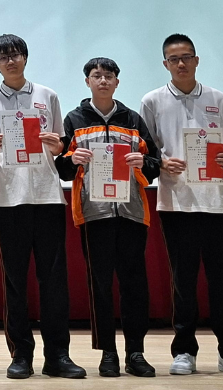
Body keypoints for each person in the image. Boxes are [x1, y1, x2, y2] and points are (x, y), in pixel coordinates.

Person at [140, 33, 223, 376]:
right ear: (165, 64)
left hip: (219, 204)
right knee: (183, 282)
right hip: (176, 203)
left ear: (196, 60)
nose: (181, 63)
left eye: (186, 57)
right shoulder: (152, 101)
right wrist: (162, 163)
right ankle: (184, 351)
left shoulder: (218, 98)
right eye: (174, 59)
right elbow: (146, 150)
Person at [0, 34, 85, 379]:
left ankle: (58, 355)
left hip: (47, 195)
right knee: (14, 280)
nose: (11, 61)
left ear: (25, 57)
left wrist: (57, 146)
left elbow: (60, 146)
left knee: (54, 280)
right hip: (8, 199)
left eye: (16, 54)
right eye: (3, 57)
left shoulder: (47, 95)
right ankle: (20, 354)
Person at [55, 57, 160, 378]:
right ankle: (108, 353)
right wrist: (73, 158)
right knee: (99, 284)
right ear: (87, 81)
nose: (103, 80)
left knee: (134, 284)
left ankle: (135, 352)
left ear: (117, 82)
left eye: (109, 76)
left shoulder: (133, 119)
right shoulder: (74, 119)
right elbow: (61, 167)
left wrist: (142, 163)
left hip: (131, 211)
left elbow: (155, 163)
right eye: (96, 75)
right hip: (93, 213)